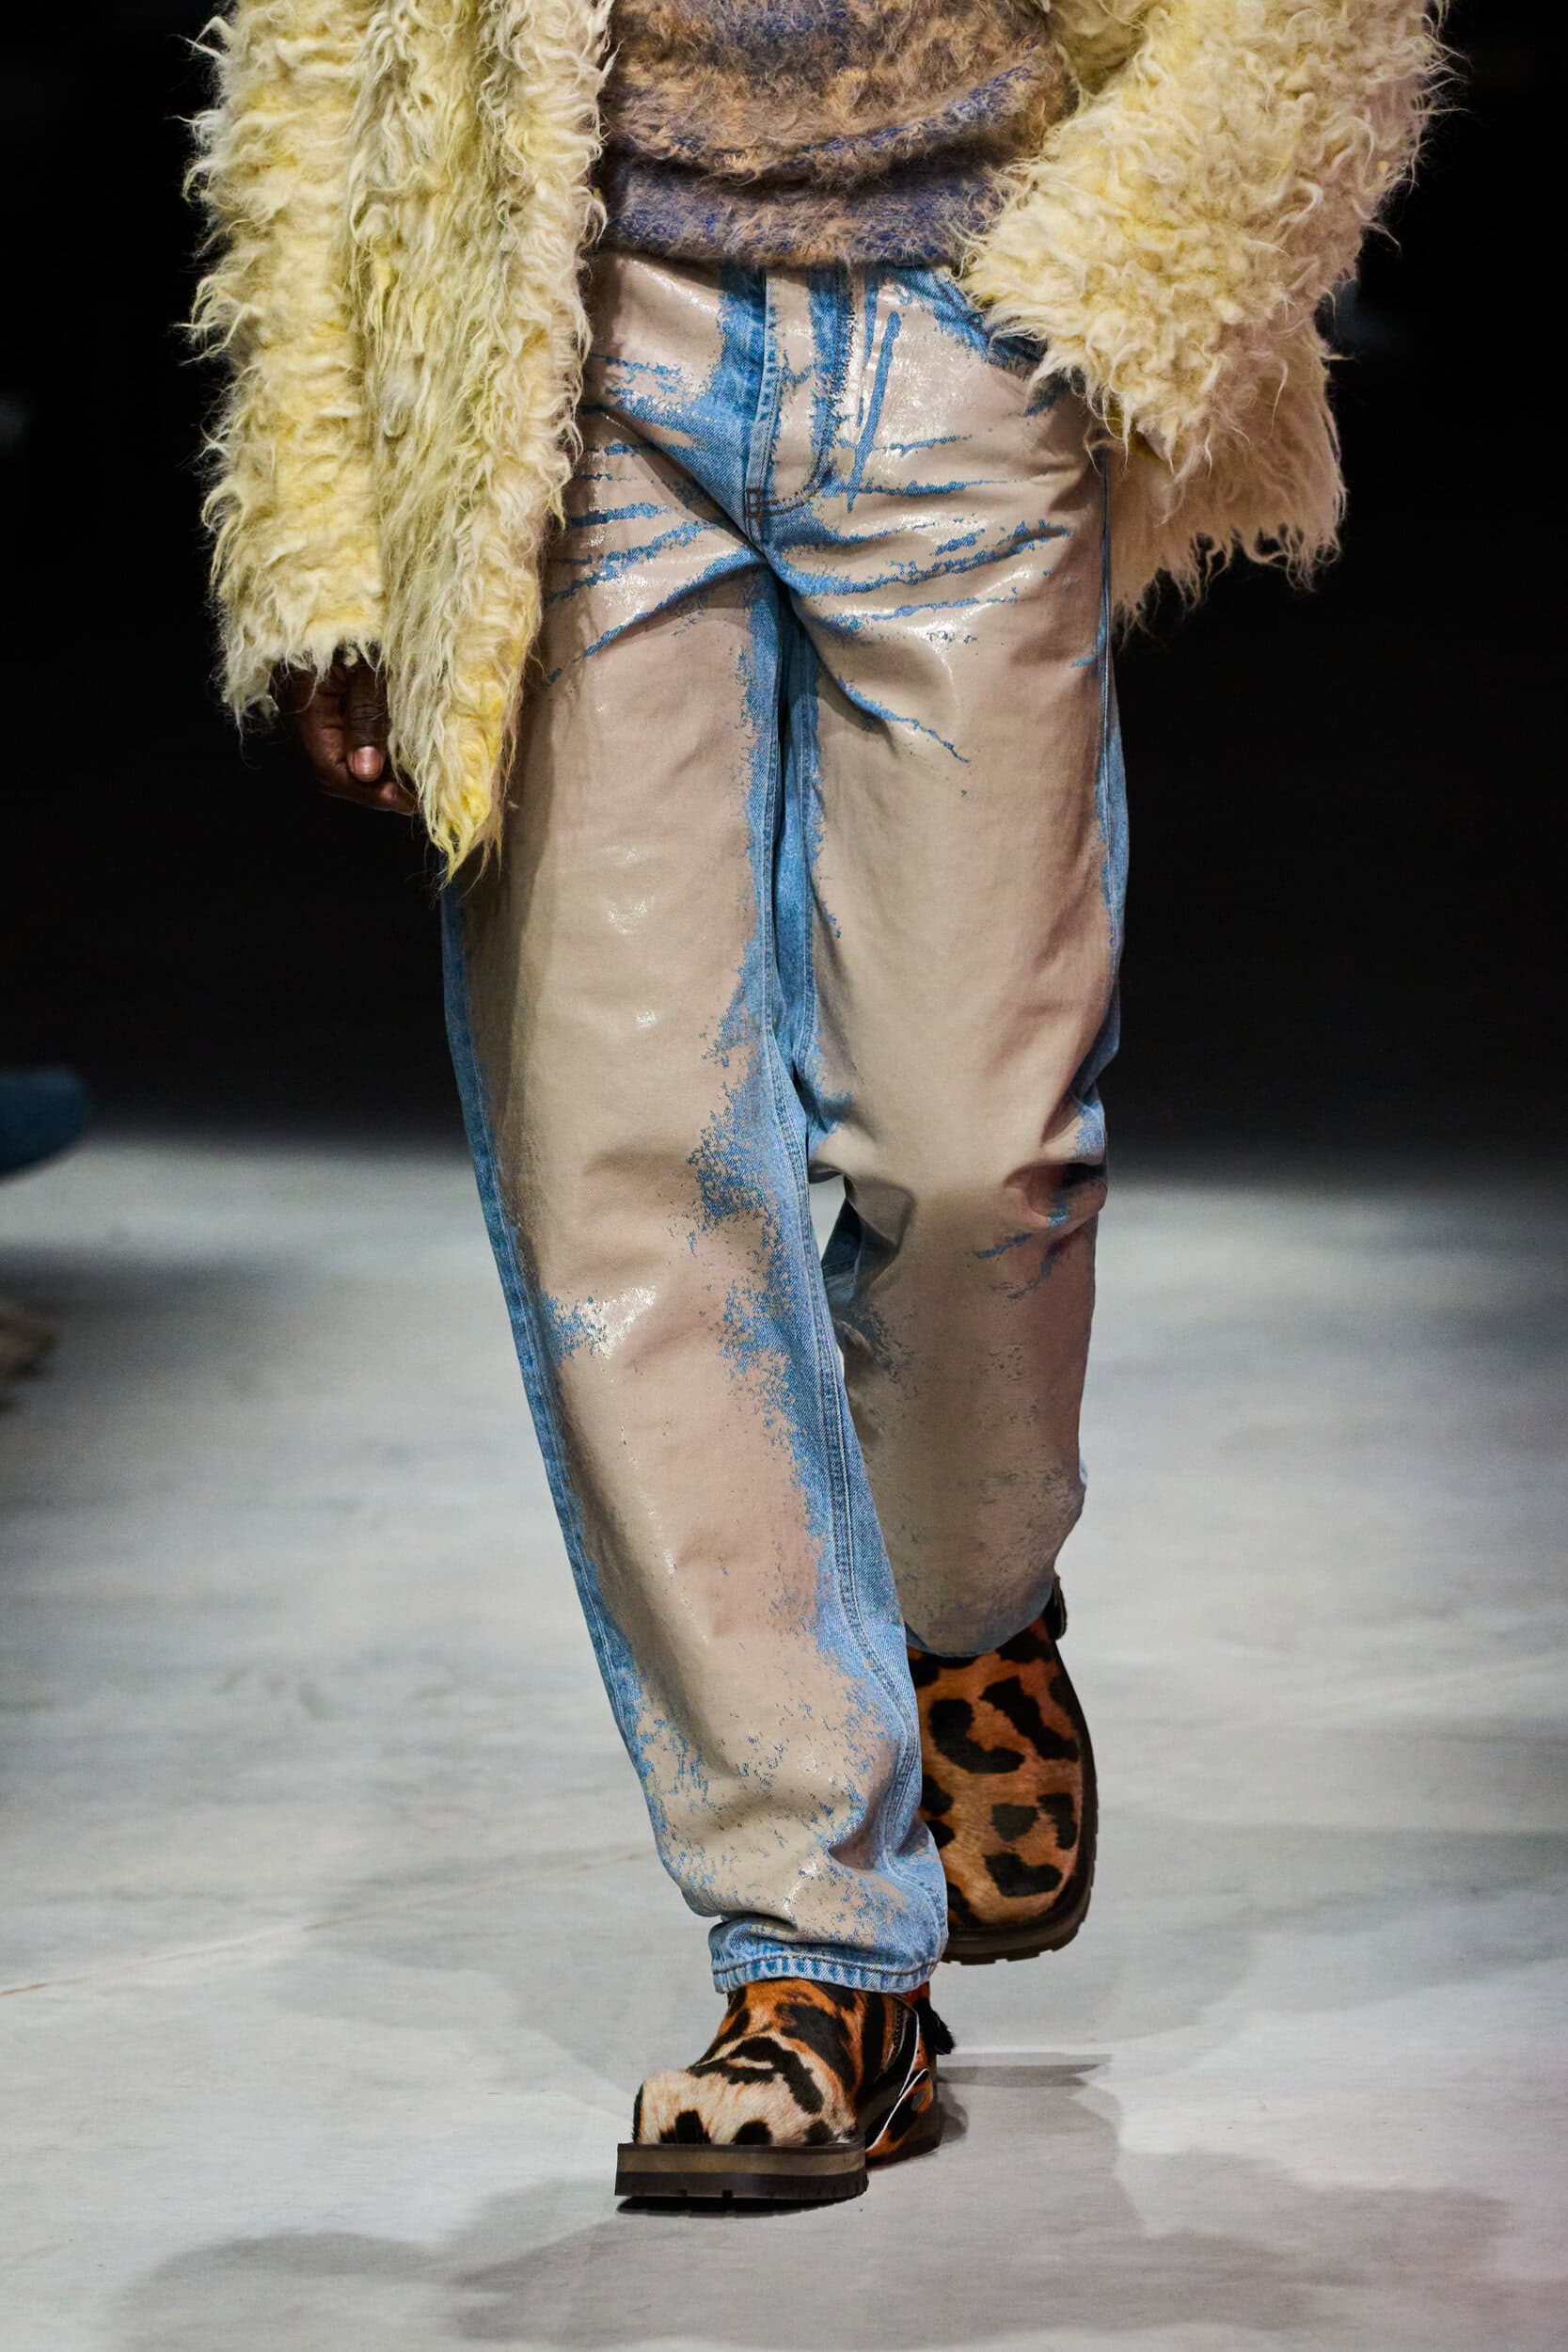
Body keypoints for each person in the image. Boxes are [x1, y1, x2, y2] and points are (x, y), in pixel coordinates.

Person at [191, 0, 1437, 2203]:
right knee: (621, 1159)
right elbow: (329, 38)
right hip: (572, 334)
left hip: (972, 315)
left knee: (975, 1159)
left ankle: (968, 1602)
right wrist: (325, 514)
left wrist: (1121, 261)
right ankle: (818, 1938)